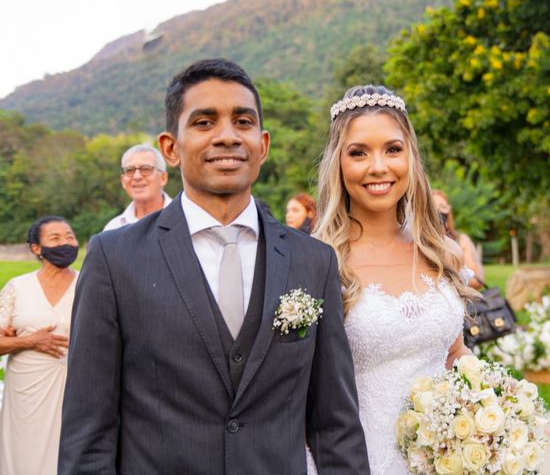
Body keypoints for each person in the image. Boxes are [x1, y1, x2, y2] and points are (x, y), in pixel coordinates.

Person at [59, 59, 369, 474]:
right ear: (171, 147)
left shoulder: (311, 261)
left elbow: (335, 425)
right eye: (204, 123)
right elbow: (88, 431)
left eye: (242, 121)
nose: (227, 136)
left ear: (263, 143)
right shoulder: (114, 259)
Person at [309, 85, 475, 474]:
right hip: (354, 461)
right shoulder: (318, 263)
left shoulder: (443, 253)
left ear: (411, 157)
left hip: (444, 461)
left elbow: (454, 355)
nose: (378, 166)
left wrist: (494, 409)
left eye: (392, 149)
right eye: (358, 152)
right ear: (338, 163)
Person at [0, 216, 79, 474]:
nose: (65, 243)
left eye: (69, 237)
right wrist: (30, 340)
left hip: (75, 393)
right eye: (55, 239)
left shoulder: (88, 283)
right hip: (26, 397)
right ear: (37, 248)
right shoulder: (17, 288)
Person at [103, 144, 172, 230]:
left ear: (163, 178)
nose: (137, 177)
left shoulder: (184, 218)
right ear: (123, 181)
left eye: (146, 169)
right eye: (130, 170)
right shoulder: (113, 228)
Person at [432, 189, 485, 289]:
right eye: (434, 206)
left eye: (442, 206)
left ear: (449, 210)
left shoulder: (461, 240)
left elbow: (476, 280)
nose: (438, 211)